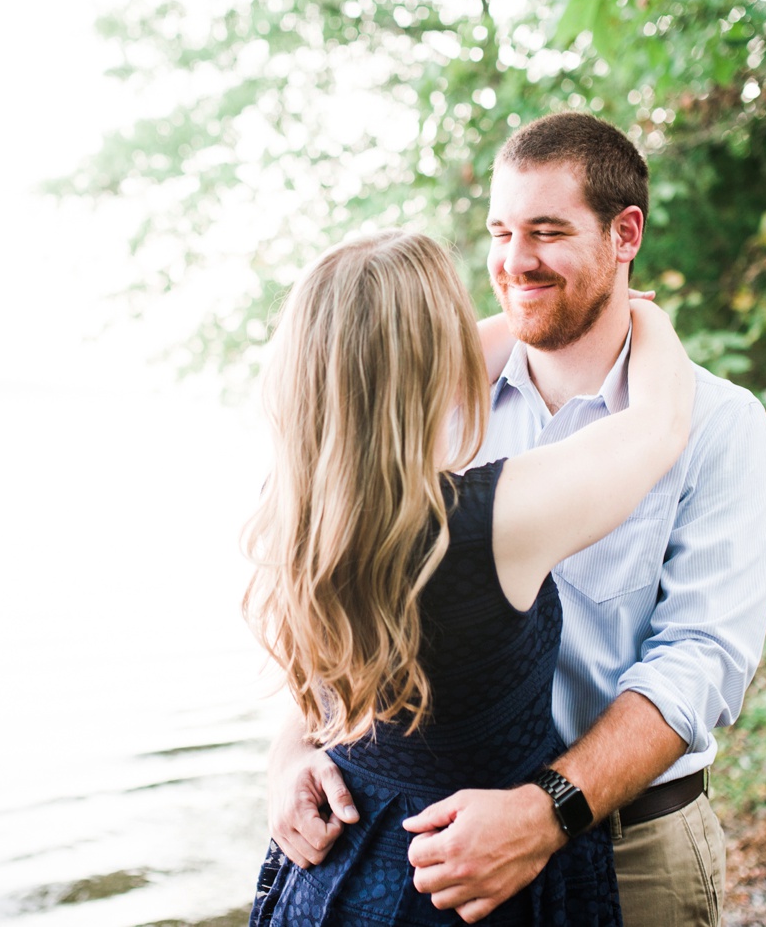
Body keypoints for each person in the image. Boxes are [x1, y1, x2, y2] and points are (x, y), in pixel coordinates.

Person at [266, 112, 766, 926]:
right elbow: (351, 601)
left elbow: (700, 660)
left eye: (545, 231)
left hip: (629, 846)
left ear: (625, 234)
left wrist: (548, 811)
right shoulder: (429, 407)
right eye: (500, 231)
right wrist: (292, 747)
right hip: (421, 851)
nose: (513, 259)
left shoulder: (719, 422)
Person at [243, 229, 695, 925]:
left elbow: (408, 365)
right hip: (461, 883)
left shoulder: (298, 512)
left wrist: (286, 752)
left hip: (335, 871)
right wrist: (642, 314)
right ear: (437, 363)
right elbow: (660, 425)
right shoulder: (490, 521)